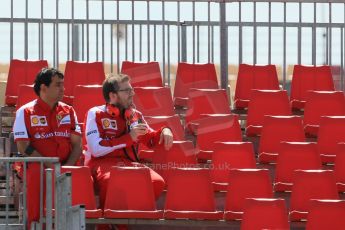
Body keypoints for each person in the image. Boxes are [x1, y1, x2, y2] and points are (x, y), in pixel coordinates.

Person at [83, 73, 173, 211]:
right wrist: (128, 138)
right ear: (113, 96)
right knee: (113, 181)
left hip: (130, 164)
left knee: (157, 183)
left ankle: (126, 219)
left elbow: (150, 139)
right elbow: (96, 149)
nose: (132, 93)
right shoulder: (95, 113)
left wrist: (165, 130)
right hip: (101, 164)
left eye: (132, 90)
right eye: (127, 91)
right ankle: (109, 225)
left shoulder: (135, 115)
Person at [13, 68, 82, 227]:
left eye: (63, 85)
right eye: (58, 85)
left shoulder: (69, 111)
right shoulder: (25, 112)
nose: (63, 89)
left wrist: (66, 167)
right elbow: (24, 147)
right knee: (37, 172)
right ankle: (35, 225)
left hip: (67, 164)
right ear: (43, 88)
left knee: (79, 175)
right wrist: (52, 166)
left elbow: (77, 145)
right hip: (37, 165)